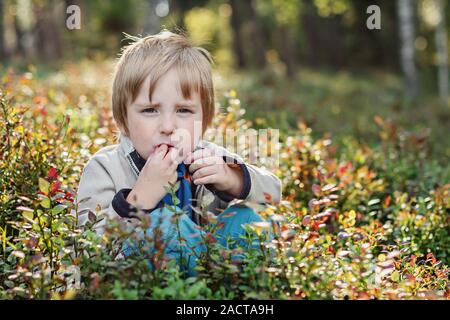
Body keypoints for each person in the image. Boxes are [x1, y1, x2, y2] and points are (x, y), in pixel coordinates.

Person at [76, 30, 282, 276]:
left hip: (211, 262)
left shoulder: (208, 155)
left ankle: (241, 288)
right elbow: (90, 251)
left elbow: (273, 192)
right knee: (166, 224)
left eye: (184, 110)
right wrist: (140, 198)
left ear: (203, 120)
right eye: (150, 110)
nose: (168, 127)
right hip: (145, 275)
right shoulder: (105, 167)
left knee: (248, 220)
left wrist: (232, 178)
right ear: (123, 119)